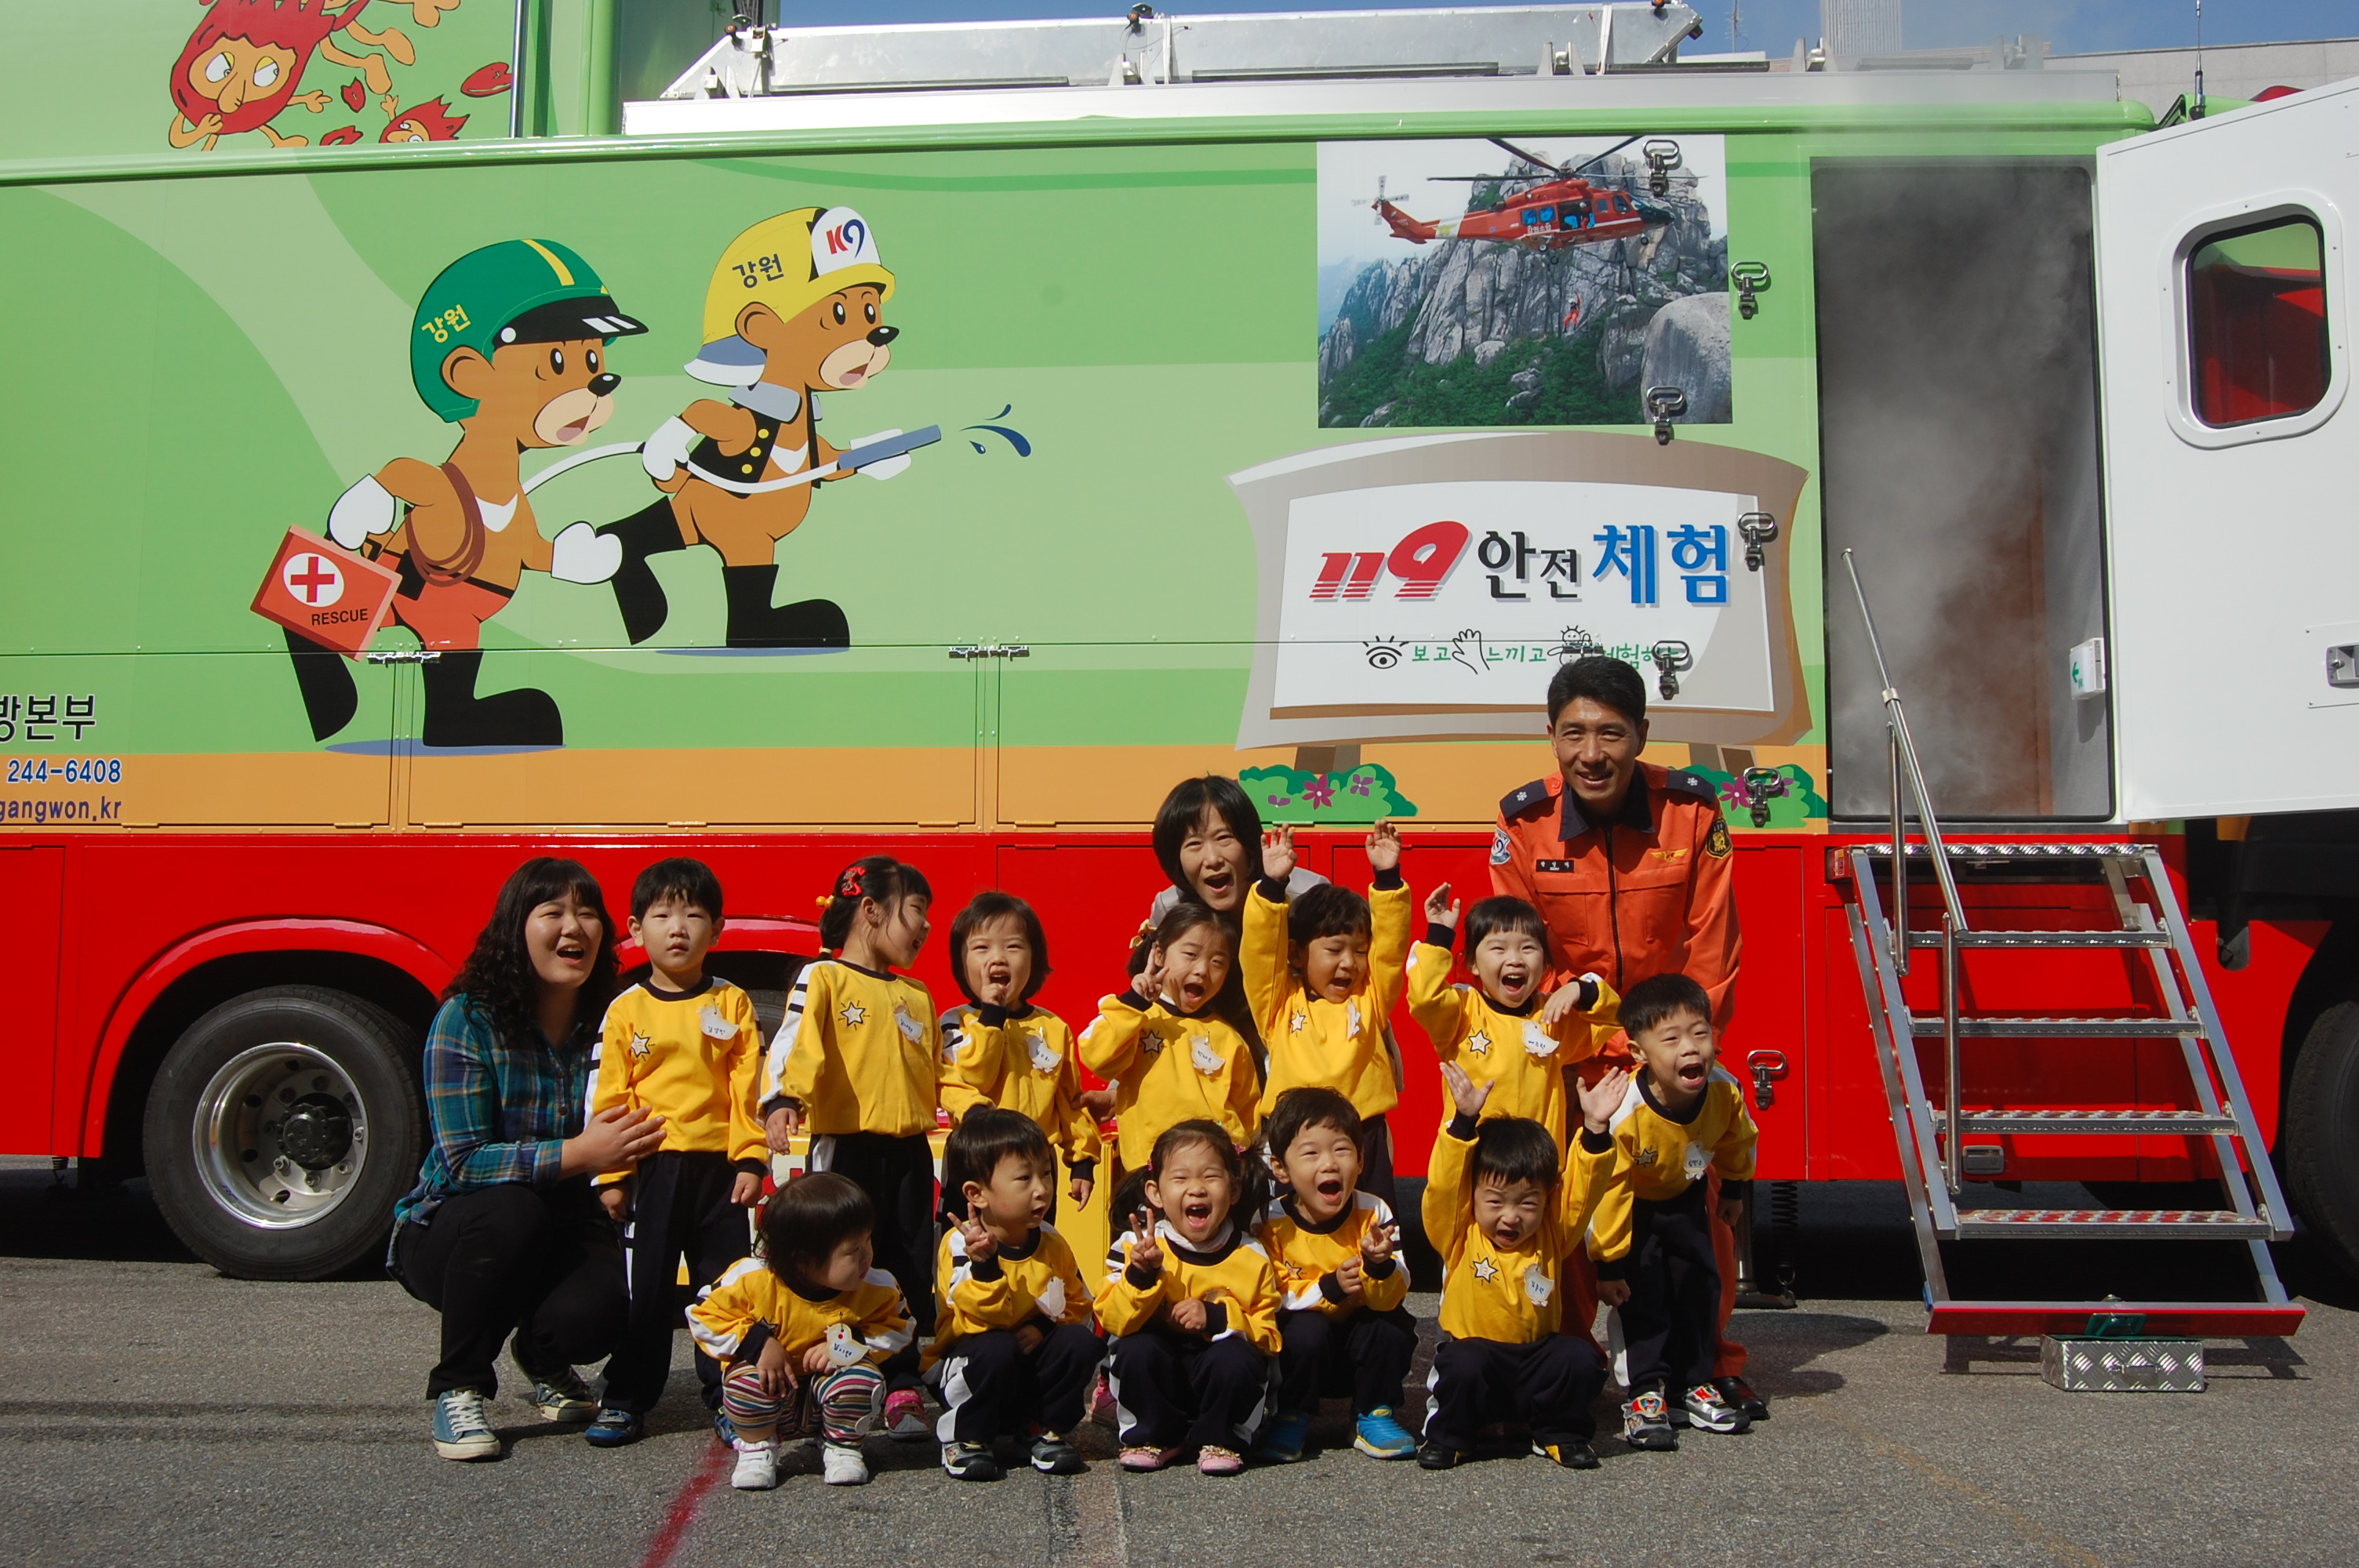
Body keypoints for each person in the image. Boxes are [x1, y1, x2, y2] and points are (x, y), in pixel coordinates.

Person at [1489, 654, 1758, 1417]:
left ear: (1641, 732)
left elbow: (1712, 947)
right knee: (1571, 1213)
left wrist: (1674, 1053)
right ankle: (1573, 1360)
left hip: (1665, 1059)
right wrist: (1593, 1052)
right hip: (1575, 1059)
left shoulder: (1691, 812)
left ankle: (1709, 1361)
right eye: (1573, 733)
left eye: (1610, 732)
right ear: (1550, 735)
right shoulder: (1522, 823)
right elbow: (1519, 956)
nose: (1591, 753)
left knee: (1698, 1216)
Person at [391, 857, 659, 1462]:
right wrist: (581, 1152)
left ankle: (542, 1358)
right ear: (517, 927)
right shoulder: (468, 1019)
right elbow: (464, 1162)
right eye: (553, 913)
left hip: (566, 1221)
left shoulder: (617, 1018)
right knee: (512, 1212)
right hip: (455, 1230)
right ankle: (459, 1388)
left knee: (607, 1307)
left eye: (587, 913)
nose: (574, 927)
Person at [582, 856, 768, 1446]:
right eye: (662, 916)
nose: (678, 928)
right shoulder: (625, 1010)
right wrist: (614, 1176)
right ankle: (627, 1398)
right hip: (653, 1169)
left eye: (693, 915)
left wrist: (750, 1160)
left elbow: (747, 1089)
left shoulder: (732, 1003)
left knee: (724, 1291)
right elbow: (610, 1095)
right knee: (649, 1291)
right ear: (637, 930)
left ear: (717, 929)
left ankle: (730, 1396)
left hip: (719, 1174)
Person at [760, 855, 945, 1440]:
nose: (926, 926)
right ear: (871, 910)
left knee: (909, 1265)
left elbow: (941, 1073)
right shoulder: (824, 978)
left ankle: (903, 1382)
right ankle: (833, 1379)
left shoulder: (917, 994)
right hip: (848, 1151)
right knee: (841, 1265)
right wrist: (782, 1098)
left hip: (910, 1153)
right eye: (916, 910)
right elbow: (796, 1041)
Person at [1417, 1059, 1627, 1471]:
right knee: (1462, 1363)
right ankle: (1452, 1437)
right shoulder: (1457, 1230)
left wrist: (1595, 1128)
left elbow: (1583, 1193)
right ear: (1473, 1196)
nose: (1510, 1217)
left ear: (1547, 1198)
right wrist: (1463, 1123)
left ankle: (1558, 1434)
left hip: (1535, 1358)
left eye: (1527, 1203)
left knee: (1579, 1358)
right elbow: (1443, 1187)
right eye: (1495, 1202)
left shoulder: (1553, 1231)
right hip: (1479, 1358)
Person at [1588, 974, 1760, 1450]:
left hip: (1686, 1198)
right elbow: (1608, 1192)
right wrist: (1608, 1263)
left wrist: (1734, 1189)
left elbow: (1739, 1138)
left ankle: (1692, 1384)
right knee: (1644, 1300)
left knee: (1699, 1289)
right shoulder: (1626, 1111)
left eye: (1700, 1033)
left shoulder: (1724, 1089)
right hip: (1634, 1210)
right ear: (1639, 1052)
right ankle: (1644, 1393)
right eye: (1671, 1039)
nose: (1690, 1048)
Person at [689, 1172, 917, 1490]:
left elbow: (901, 1326)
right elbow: (703, 1314)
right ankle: (756, 1448)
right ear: (804, 1259)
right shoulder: (753, 1280)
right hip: (774, 1395)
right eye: (853, 1250)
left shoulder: (877, 1287)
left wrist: (848, 1344)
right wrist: (757, 1343)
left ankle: (841, 1446)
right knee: (746, 1377)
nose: (867, 1255)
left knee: (862, 1376)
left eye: (868, 1240)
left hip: (829, 1399)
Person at [1241, 822, 1414, 1210]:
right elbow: (1259, 953)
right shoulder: (1279, 1005)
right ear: (1296, 953)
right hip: (1295, 1139)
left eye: (1359, 951)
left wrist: (1387, 879)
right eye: (1334, 950)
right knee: (1291, 1228)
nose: (1349, 963)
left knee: (1374, 1226)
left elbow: (1390, 950)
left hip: (1363, 1136)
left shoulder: (1370, 998)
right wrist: (1271, 887)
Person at [926, 1109, 1103, 1481]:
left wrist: (1043, 1327)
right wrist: (986, 1267)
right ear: (977, 1194)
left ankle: (1040, 1427)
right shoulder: (960, 1243)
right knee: (997, 1347)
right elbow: (971, 1320)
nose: (1041, 1189)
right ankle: (965, 1436)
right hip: (972, 1362)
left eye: (1046, 1174)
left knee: (1078, 1342)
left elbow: (1080, 1305)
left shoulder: (1052, 1241)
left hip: (1026, 1365)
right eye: (1024, 1178)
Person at [1097, 1120, 1282, 1475]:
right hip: (1161, 1376)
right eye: (1180, 1178)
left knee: (1238, 1360)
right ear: (1155, 1193)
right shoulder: (1134, 1245)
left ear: (1234, 1188)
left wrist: (1216, 1318)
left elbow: (1270, 1337)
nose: (1196, 1189)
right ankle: (1154, 1435)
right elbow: (1112, 1320)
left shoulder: (1251, 1254)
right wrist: (1141, 1275)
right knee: (1137, 1350)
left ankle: (1222, 1439)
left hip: (1217, 1378)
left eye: (1211, 1177)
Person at [1250, 1087, 1418, 1465]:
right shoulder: (1269, 1220)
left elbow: (1396, 1292)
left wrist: (1379, 1266)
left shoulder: (1373, 1211)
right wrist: (1330, 1287)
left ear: (1361, 1160)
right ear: (1280, 1168)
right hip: (1304, 1353)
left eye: (1342, 1150)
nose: (1329, 1164)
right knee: (1303, 1331)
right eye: (1311, 1153)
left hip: (1357, 1346)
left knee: (1390, 1327)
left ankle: (1374, 1412)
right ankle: (1291, 1414)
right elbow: (1268, 1294)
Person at [1406, 888, 1619, 1152]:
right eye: (1499, 948)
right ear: (1472, 963)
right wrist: (1439, 937)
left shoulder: (1553, 1016)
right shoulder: (1463, 1010)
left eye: (1528, 948)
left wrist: (1582, 991)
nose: (1515, 960)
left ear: (1545, 963)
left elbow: (1613, 1020)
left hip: (1539, 1165)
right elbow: (1424, 998)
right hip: (1477, 1163)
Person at [938, 891, 1100, 1217]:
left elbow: (1070, 1102)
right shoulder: (955, 1022)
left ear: (1034, 959)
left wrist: (1082, 1159)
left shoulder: (1053, 1027)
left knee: (1037, 1240)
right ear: (961, 963)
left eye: (1013, 947)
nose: (998, 958)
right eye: (981, 948)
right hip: (978, 1156)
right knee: (971, 1241)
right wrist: (991, 1018)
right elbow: (968, 1080)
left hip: (1036, 1163)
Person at [1078, 902, 1262, 1186]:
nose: (1202, 970)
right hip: (1149, 1173)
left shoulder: (1229, 1037)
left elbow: (1248, 1116)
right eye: (1191, 955)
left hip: (1213, 1177)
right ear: (1159, 954)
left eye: (1217, 962)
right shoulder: (1134, 1016)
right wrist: (1134, 1002)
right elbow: (1095, 1055)